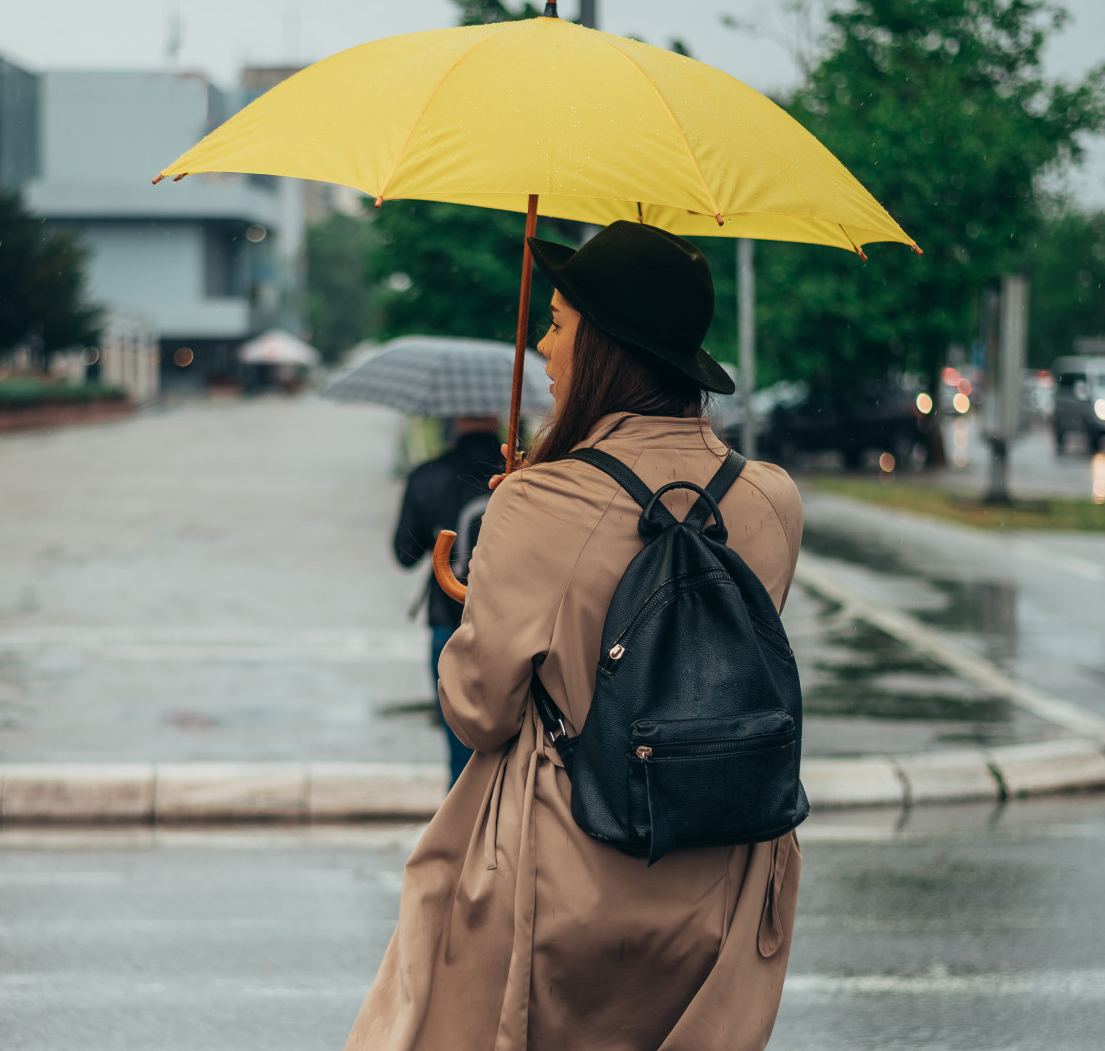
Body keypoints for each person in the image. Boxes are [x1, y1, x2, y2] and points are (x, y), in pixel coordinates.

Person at [345, 222, 805, 1051]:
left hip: (567, 885)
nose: (545, 350)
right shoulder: (774, 501)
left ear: (602, 347)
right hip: (727, 887)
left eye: (557, 325)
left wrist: (495, 576)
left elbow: (482, 712)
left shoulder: (534, 503)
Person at [392, 415, 504, 786]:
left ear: (454, 417)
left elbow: (405, 554)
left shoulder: (429, 475)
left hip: (449, 621)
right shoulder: (524, 476)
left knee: (459, 747)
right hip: (513, 625)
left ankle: (459, 834)